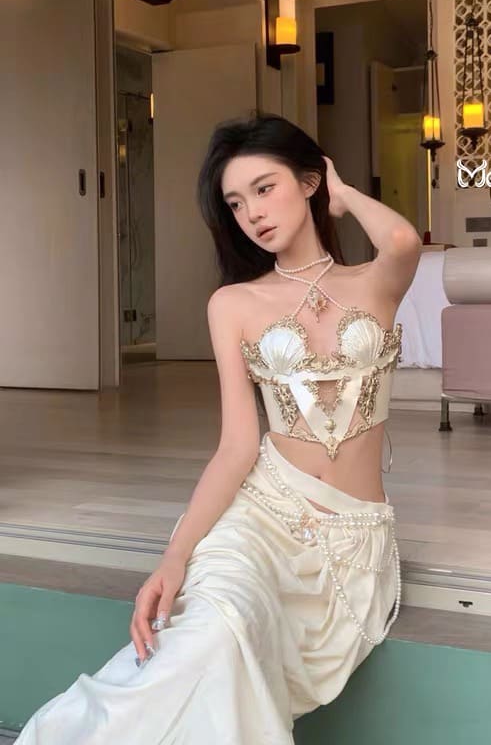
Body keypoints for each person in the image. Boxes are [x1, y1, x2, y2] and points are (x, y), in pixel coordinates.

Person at [16, 113, 422, 743]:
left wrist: (344, 194)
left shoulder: (373, 284)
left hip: (352, 537)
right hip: (261, 515)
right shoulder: (233, 303)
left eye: (265, 188)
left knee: (227, 650)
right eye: (235, 203)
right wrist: (174, 557)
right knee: (210, 635)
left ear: (309, 181)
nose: (251, 213)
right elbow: (236, 446)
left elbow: (400, 240)